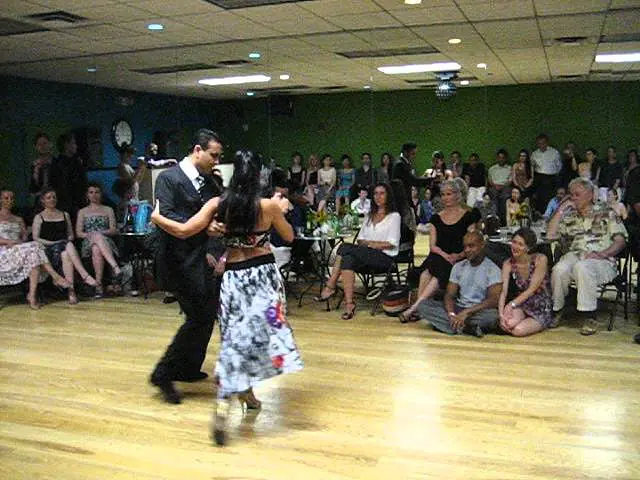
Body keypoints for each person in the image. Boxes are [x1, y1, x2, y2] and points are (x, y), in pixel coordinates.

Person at [151, 149, 303, 446]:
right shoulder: (268, 205)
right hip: (262, 276)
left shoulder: (218, 204)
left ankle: (238, 391)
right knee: (263, 337)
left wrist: (158, 217)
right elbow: (289, 237)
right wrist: (280, 212)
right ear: (258, 176)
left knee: (234, 338)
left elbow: (183, 230)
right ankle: (238, 390)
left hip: (233, 276)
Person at [149, 129, 225, 405]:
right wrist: (206, 226)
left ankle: (188, 367)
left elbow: (220, 212)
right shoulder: (169, 179)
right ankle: (163, 373)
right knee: (198, 316)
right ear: (197, 149)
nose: (216, 160)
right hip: (177, 262)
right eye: (213, 155)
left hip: (203, 259)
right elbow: (167, 218)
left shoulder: (210, 182)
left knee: (205, 314)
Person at [547, 177, 627, 335]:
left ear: (590, 195)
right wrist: (561, 209)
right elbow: (550, 235)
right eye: (571, 194)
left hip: (602, 259)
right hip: (576, 254)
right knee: (559, 269)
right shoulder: (569, 215)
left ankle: (589, 316)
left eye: (577, 194)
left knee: (582, 267)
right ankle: (558, 309)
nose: (573, 198)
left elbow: (620, 241)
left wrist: (603, 253)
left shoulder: (606, 212)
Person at [314, 182, 401, 320]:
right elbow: (360, 240)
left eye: (382, 193)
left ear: (388, 196)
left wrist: (370, 244)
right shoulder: (369, 215)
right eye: (375, 193)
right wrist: (368, 245)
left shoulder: (394, 216)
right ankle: (349, 304)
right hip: (366, 255)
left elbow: (391, 244)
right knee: (347, 259)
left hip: (385, 258)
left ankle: (330, 285)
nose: (378, 197)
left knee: (344, 247)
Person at [400, 178, 480, 323]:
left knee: (436, 272)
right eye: (443, 194)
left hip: (460, 258)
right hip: (439, 255)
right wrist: (446, 255)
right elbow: (433, 246)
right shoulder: (436, 218)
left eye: (449, 194)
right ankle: (418, 308)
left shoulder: (468, 216)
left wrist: (458, 255)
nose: (445, 198)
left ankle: (415, 308)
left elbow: (471, 244)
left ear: (457, 195)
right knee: (427, 272)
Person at [415, 231, 501, 337]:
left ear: (482, 245)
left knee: (493, 316)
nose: (467, 250)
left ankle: (452, 326)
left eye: (471, 246)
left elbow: (493, 300)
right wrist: (451, 314)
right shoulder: (458, 267)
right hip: (458, 308)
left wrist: (467, 312)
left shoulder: (493, 269)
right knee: (423, 305)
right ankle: (466, 328)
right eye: (465, 247)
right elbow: (449, 295)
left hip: (477, 311)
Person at [0, 188, 69, 309]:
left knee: (34, 256)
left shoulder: (18, 219)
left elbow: (24, 238)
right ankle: (55, 276)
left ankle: (32, 295)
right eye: (6, 198)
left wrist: (19, 242)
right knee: (35, 247)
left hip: (17, 250)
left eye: (11, 198)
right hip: (3, 251)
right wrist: (10, 242)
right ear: (0, 200)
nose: (9, 201)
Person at [32, 188, 98, 304]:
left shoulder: (64, 214)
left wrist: (63, 241)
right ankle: (84, 275)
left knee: (66, 252)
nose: (52, 199)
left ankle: (71, 291)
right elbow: (36, 238)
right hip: (48, 250)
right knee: (67, 246)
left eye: (54, 197)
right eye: (49, 198)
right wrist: (54, 243)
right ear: (43, 201)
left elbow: (71, 235)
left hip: (63, 247)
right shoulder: (39, 217)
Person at [498, 228, 553, 336]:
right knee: (507, 323)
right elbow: (503, 291)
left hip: (540, 305)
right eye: (514, 242)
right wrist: (501, 313)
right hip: (522, 304)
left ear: (528, 248)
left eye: (520, 244)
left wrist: (511, 304)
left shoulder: (540, 259)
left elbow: (531, 289)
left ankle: (543, 322)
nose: (515, 247)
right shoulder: (508, 263)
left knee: (518, 331)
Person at [75, 183, 121, 298]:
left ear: (101, 194)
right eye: (91, 192)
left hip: (106, 242)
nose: (94, 195)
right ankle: (115, 267)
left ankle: (98, 285)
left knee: (97, 248)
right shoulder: (82, 212)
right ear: (87, 195)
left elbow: (113, 229)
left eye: (97, 192)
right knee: (95, 239)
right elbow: (79, 233)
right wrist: (93, 235)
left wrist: (100, 234)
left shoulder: (108, 209)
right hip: (87, 242)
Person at [49, 132, 88, 223]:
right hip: (66, 204)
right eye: (73, 143)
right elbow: (60, 186)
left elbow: (83, 182)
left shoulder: (77, 162)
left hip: (79, 203)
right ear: (66, 144)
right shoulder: (57, 164)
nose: (76, 146)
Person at [531, 134, 561, 214]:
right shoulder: (534, 154)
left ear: (547, 143)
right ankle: (541, 215)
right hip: (539, 177)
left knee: (549, 198)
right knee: (540, 198)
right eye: (539, 143)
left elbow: (559, 166)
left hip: (551, 178)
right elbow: (532, 167)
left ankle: (550, 214)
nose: (541, 145)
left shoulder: (554, 152)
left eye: (543, 143)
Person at [487, 149, 512, 224]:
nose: (501, 159)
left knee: (505, 197)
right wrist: (495, 186)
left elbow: (510, 180)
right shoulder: (492, 168)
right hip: (494, 186)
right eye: (499, 157)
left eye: (503, 157)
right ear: (497, 158)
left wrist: (503, 186)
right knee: (493, 196)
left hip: (505, 186)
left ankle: (503, 221)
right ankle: (495, 220)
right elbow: (490, 180)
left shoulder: (510, 168)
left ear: (505, 158)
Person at [29, 132, 54, 206]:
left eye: (45, 143)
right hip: (41, 203)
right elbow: (32, 190)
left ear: (50, 144)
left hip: (56, 201)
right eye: (39, 144)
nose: (42, 146)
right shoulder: (35, 165)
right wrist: (36, 173)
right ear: (35, 147)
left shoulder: (58, 163)